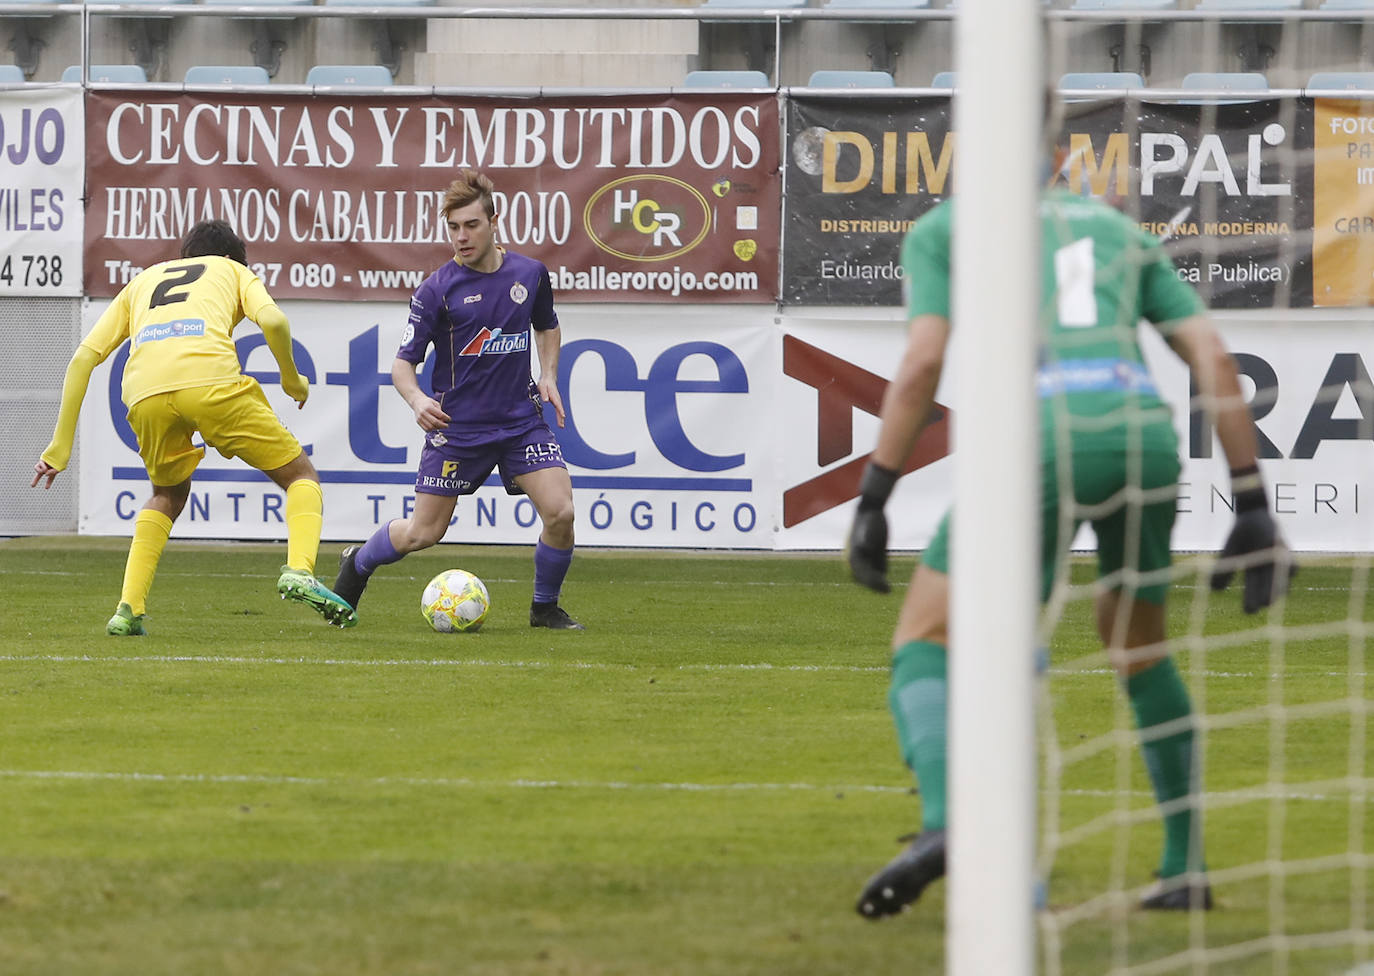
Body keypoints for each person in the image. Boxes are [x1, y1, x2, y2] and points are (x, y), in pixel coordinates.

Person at [845, 123, 1295, 918]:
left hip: (1037, 440)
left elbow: (922, 362)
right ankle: (1183, 867)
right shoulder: (1120, 231)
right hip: (1142, 440)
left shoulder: (948, 229)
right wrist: (1253, 501)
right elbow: (1214, 359)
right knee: (1137, 642)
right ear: (1059, 159)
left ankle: (960, 832)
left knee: (933, 637)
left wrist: (877, 492)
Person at [32, 219, 356, 634]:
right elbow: (274, 322)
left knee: (166, 494)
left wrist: (58, 449)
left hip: (144, 393)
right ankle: (299, 570)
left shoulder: (143, 281)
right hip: (211, 384)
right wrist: (292, 380)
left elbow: (82, 360)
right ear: (227, 258)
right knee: (300, 477)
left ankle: (128, 609)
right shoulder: (232, 270)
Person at [333, 169, 583, 630]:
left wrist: (548, 373)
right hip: (459, 429)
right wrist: (416, 400)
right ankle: (356, 564)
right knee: (422, 533)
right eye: (453, 227)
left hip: (520, 424)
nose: (461, 237)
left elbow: (547, 324)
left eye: (470, 225)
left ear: (493, 222)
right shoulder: (437, 289)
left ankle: (544, 608)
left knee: (561, 511)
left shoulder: (529, 274)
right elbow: (402, 365)